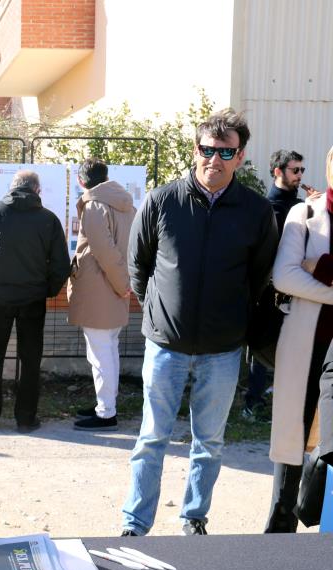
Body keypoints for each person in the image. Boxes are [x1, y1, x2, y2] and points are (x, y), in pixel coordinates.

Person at [121, 110, 278, 537]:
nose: (215, 159)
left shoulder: (256, 211)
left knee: (208, 443)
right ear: (196, 150)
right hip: (166, 346)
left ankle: (193, 517)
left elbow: (260, 275)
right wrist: (158, 312)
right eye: (207, 149)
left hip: (223, 350)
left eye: (225, 151)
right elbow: (139, 267)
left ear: (240, 156)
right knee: (151, 439)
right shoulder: (161, 201)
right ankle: (135, 524)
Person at [0, 170, 69, 433]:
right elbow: (60, 264)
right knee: (30, 358)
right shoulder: (48, 219)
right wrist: (48, 290)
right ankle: (26, 418)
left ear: (12, 188)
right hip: (33, 298)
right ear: (37, 190)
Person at [265, 145, 333, 533]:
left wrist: (321, 267)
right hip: (308, 344)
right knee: (293, 438)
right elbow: (285, 277)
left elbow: (303, 275)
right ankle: (279, 531)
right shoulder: (304, 213)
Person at [66, 159, 135, 432]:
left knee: (100, 354)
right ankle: (106, 405)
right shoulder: (126, 205)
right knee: (109, 349)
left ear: (82, 181)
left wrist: (121, 284)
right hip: (114, 288)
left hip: (100, 288)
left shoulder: (95, 206)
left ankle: (106, 412)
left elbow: (103, 251)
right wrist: (123, 284)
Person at [243, 149, 309, 418]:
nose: (300, 175)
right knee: (264, 344)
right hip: (271, 290)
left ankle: (277, 401)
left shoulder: (302, 205)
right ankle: (253, 402)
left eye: (302, 170)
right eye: (295, 170)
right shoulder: (268, 208)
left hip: (296, 289)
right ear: (277, 171)